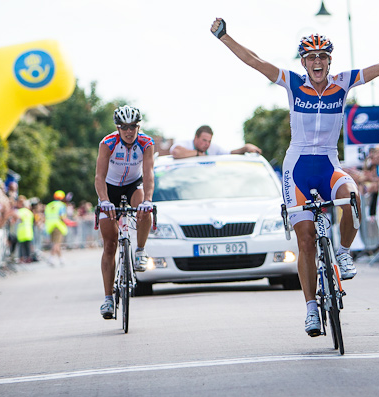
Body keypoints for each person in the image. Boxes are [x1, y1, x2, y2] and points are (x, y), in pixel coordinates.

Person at [210, 17, 379, 336]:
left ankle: (343, 253)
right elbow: (255, 61)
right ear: (303, 62)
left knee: (352, 197)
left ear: (330, 61)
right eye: (311, 57)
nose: (317, 62)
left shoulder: (343, 82)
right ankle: (311, 309)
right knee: (305, 238)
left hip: (329, 163)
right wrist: (225, 37)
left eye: (322, 57)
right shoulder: (291, 82)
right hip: (298, 166)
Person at [94, 105, 156, 319]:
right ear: (118, 128)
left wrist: (148, 200)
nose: (129, 132)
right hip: (109, 188)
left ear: (139, 127)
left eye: (133, 127)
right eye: (124, 127)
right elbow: (99, 177)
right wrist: (104, 200)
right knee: (110, 245)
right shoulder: (107, 143)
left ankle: (139, 250)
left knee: (144, 209)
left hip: (133, 185)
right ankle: (108, 299)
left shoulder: (146, 143)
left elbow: (148, 175)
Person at [170, 125, 262, 158]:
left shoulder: (214, 148)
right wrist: (198, 154)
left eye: (209, 141)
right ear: (196, 138)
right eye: (204, 140)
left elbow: (229, 154)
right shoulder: (185, 144)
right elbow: (176, 152)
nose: (207, 144)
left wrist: (246, 148)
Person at [44, 190, 69, 266]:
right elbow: (62, 216)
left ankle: (61, 259)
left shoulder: (49, 205)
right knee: (57, 243)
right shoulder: (61, 205)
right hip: (58, 225)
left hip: (50, 226)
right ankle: (51, 258)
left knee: (56, 243)